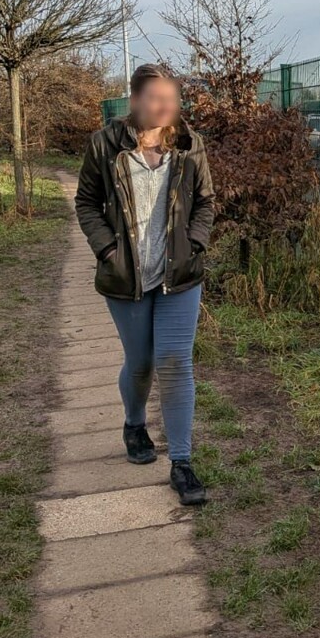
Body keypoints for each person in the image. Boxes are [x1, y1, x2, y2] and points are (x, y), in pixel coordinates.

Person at [74, 63, 215, 506]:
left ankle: (182, 462)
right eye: (155, 97)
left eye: (171, 98)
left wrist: (194, 244)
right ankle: (135, 422)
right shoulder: (104, 145)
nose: (164, 106)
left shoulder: (191, 146)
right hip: (126, 276)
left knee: (174, 361)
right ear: (134, 99)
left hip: (179, 274)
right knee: (141, 364)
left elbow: (206, 202)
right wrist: (106, 250)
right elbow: (86, 202)